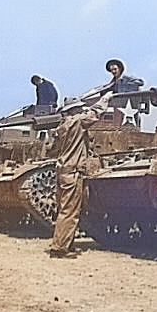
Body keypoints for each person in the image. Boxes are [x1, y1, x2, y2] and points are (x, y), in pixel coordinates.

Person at [47, 91, 113, 258]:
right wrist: (105, 99)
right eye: (78, 109)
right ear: (74, 110)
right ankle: (60, 248)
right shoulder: (76, 122)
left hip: (62, 171)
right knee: (69, 211)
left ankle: (65, 244)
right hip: (73, 173)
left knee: (64, 209)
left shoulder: (60, 128)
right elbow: (94, 114)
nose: (80, 111)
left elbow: (50, 150)